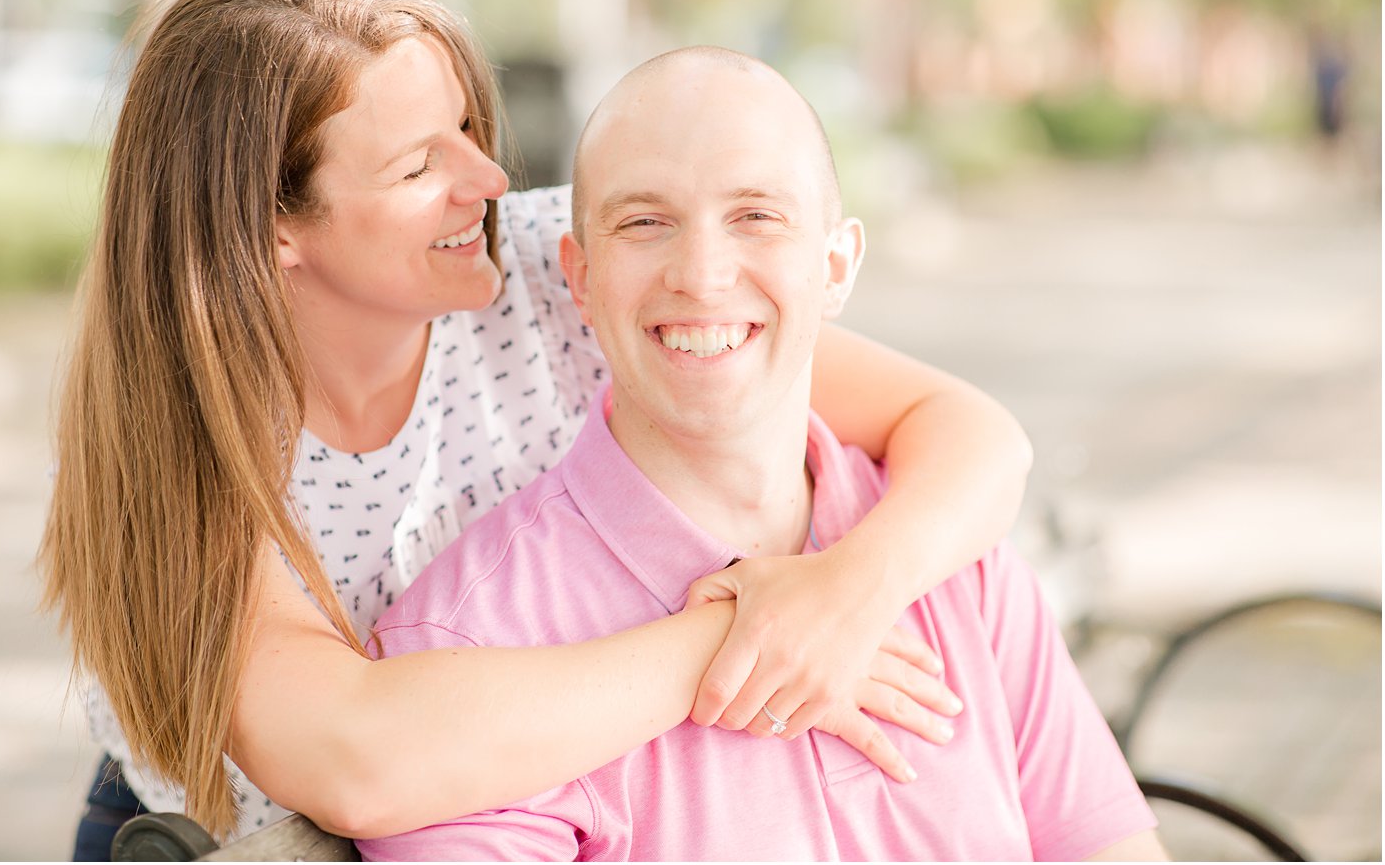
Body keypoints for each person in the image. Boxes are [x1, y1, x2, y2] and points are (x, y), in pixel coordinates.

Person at [38, 0, 1034, 852]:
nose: (488, 177)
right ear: (272, 229)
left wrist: (844, 592)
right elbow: (360, 765)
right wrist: (750, 640)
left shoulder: (554, 264)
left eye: (466, 126)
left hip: (542, 800)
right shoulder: (176, 446)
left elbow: (969, 435)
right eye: (419, 165)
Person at [358, 47, 1163, 861]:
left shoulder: (956, 562)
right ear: (582, 277)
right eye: (645, 220)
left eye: (756, 216)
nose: (703, 275)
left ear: (836, 264)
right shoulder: (466, 661)